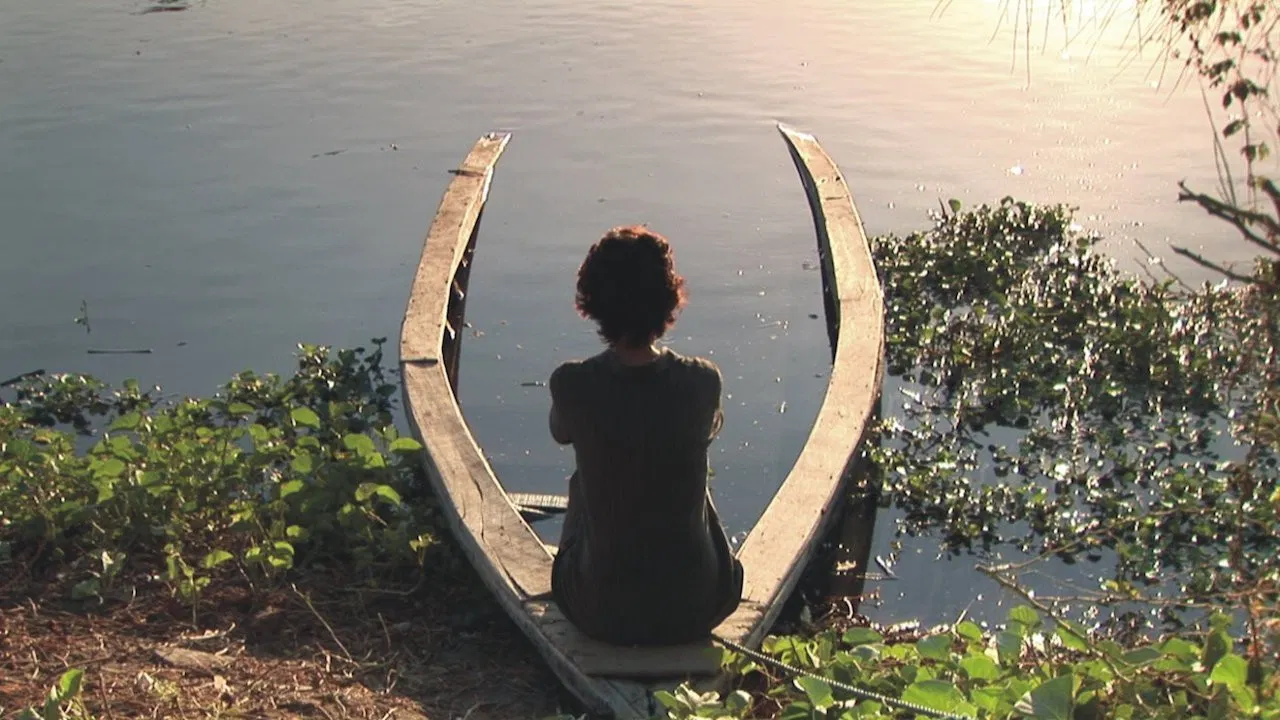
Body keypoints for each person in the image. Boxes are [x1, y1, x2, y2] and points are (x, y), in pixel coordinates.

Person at [547, 224, 744, 647]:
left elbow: (561, 432)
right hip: (700, 607)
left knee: (581, 482)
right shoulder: (703, 381)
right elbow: (707, 430)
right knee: (689, 473)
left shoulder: (571, 383)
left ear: (592, 303)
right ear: (668, 300)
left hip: (600, 613)